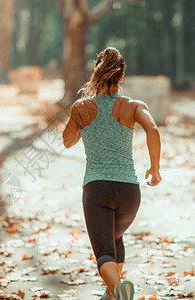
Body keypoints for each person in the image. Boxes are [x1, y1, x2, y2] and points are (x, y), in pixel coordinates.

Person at [62, 47, 162, 300]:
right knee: (116, 238)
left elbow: (67, 141)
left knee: (104, 251)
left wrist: (79, 120)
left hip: (97, 188)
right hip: (129, 191)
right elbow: (153, 130)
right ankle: (111, 293)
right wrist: (154, 168)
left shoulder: (82, 107)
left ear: (96, 72)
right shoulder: (134, 106)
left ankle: (119, 291)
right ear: (121, 76)